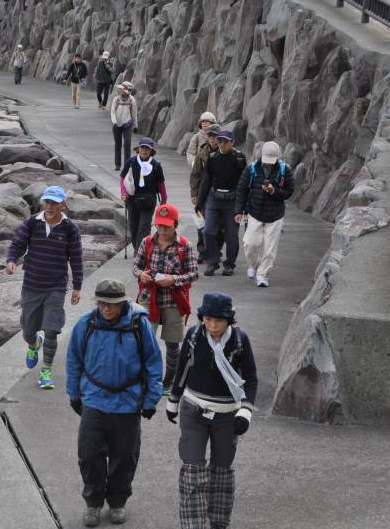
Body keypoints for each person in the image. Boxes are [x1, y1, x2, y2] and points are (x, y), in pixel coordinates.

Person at [66, 278, 162, 528]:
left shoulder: (139, 325)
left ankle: (118, 501)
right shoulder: (86, 324)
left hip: (128, 402)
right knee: (88, 455)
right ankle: (93, 503)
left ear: (123, 303)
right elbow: (74, 359)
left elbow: (153, 363)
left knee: (125, 456)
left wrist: (151, 399)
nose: (106, 309)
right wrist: (73, 394)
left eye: (112, 304)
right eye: (102, 304)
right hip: (94, 400)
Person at [166, 292, 258, 529]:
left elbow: (250, 378)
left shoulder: (239, 340)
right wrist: (173, 401)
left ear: (229, 320)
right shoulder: (195, 335)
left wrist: (245, 411)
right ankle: (193, 524)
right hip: (194, 410)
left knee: (221, 471)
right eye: (208, 319)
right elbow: (182, 368)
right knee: (192, 470)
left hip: (227, 415)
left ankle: (218, 521)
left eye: (218, 320)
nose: (213, 325)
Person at [5, 186, 84, 391]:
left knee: (51, 329)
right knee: (28, 330)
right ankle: (33, 344)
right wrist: (11, 260)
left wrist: (77, 287)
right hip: (32, 285)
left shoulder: (70, 228)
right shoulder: (32, 223)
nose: (50, 206)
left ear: (63, 204)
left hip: (56, 287)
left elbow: (76, 258)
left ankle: (46, 371)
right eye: (47, 202)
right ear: (43, 203)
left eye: (54, 202)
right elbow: (17, 244)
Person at [133, 203, 199, 394]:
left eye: (166, 226)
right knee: (143, 340)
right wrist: (141, 275)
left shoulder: (185, 246)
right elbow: (135, 267)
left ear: (175, 225)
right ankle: (143, 379)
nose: (162, 230)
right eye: (159, 225)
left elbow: (194, 273)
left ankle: (169, 382)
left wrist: (174, 280)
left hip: (173, 301)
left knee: (172, 344)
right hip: (148, 297)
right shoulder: (147, 242)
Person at [234, 141, 294, 288]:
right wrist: (238, 210)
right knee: (249, 243)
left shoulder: (284, 170)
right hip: (255, 212)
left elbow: (289, 191)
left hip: (275, 215)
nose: (268, 164)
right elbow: (242, 189)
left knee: (270, 249)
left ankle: (262, 275)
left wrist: (274, 191)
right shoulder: (252, 168)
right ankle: (254, 264)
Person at [196, 130, 247, 277]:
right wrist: (199, 202)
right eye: (220, 141)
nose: (222, 144)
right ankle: (212, 261)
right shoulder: (212, 157)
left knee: (231, 235)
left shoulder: (239, 158)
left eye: (226, 141)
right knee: (208, 231)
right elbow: (205, 180)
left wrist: (243, 205)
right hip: (214, 198)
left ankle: (229, 264)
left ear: (232, 142)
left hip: (232, 200)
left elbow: (244, 183)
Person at [120, 137, 167, 251]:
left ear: (151, 151)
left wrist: (164, 199)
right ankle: (137, 248)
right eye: (142, 148)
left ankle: (140, 252)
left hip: (149, 199)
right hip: (132, 199)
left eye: (147, 148)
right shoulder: (131, 162)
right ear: (138, 149)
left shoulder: (156, 165)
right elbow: (122, 177)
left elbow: (161, 183)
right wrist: (123, 192)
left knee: (144, 227)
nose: (144, 151)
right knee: (133, 227)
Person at [189, 123, 222, 265]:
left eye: (215, 136)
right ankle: (202, 251)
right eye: (210, 136)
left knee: (219, 226)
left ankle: (216, 250)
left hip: (220, 193)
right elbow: (195, 174)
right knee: (201, 224)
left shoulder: (225, 151)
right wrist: (194, 193)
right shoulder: (202, 152)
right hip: (204, 193)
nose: (212, 139)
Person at [110, 82, 138, 171]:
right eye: (123, 90)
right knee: (118, 144)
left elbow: (134, 114)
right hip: (117, 125)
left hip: (127, 124)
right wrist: (114, 122)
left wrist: (135, 125)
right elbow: (112, 111)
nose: (124, 92)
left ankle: (127, 164)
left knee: (127, 144)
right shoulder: (117, 99)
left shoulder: (132, 100)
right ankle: (117, 164)